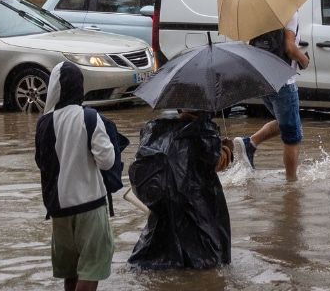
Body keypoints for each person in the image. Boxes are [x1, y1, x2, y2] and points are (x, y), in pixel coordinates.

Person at [34, 62, 120, 291]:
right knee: (91, 268)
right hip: (90, 206)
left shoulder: (44, 122)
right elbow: (107, 161)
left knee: (70, 270)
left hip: (59, 210)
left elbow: (41, 162)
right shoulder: (89, 118)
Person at [128, 109, 231, 270]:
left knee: (159, 261)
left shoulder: (155, 129)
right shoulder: (204, 133)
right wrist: (226, 149)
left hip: (163, 209)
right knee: (205, 265)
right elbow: (216, 163)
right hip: (196, 210)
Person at [240, 14, 309, 181]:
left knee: (285, 121)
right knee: (292, 135)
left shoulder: (259, 13)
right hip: (283, 82)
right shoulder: (288, 13)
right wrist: (304, 60)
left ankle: (250, 143)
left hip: (264, 80)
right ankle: (291, 185)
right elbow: (290, 49)